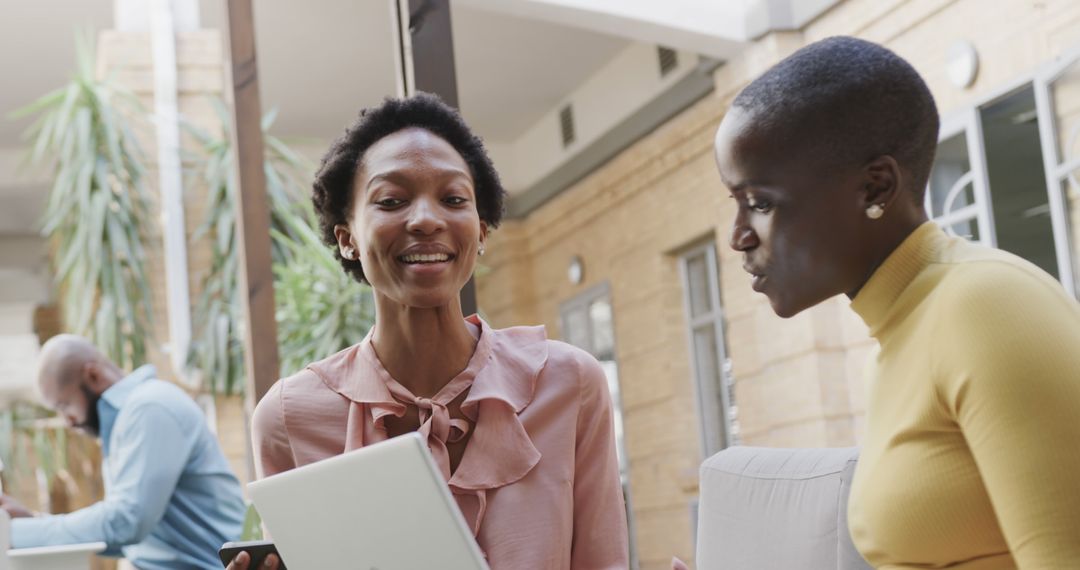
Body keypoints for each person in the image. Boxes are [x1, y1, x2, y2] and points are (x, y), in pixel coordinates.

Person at [712, 36, 1080, 567]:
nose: (739, 237)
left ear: (874, 188)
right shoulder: (901, 335)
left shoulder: (986, 306)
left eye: (760, 203)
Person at [225, 93, 628, 570]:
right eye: (391, 200)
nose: (426, 219)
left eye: (453, 199)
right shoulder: (288, 418)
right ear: (347, 237)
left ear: (480, 232)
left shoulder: (570, 384)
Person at [0, 334, 247, 569]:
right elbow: (134, 538)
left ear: (93, 375)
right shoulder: (128, 420)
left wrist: (12, 533)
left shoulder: (150, 407)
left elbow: (126, 522)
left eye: (65, 405)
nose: (69, 421)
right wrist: (35, 521)